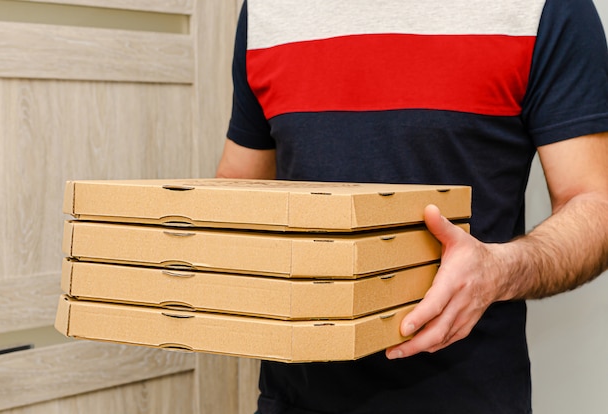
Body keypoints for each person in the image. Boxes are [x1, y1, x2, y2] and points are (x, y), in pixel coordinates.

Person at [216, 0, 608, 412]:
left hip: (463, 396)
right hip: (293, 396)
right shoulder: (266, 10)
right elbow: (238, 186)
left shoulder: (546, 7)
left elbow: (595, 203)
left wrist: (498, 271)